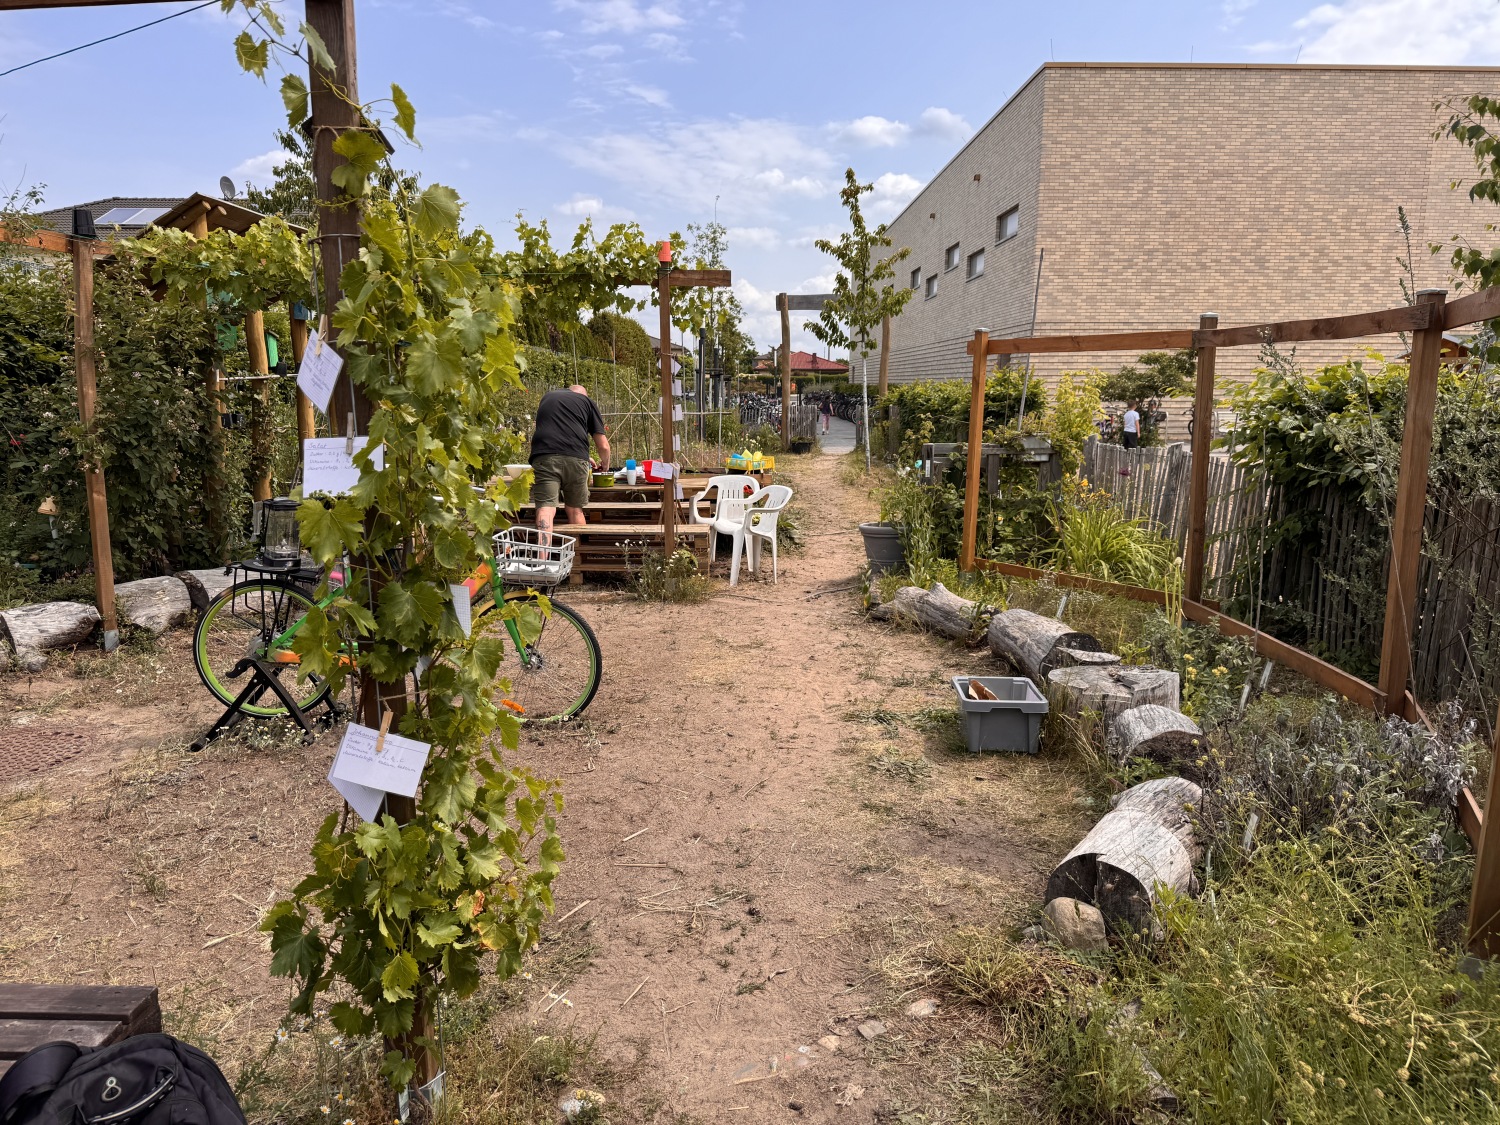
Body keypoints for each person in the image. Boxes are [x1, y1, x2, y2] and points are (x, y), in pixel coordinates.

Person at [529, 384, 610, 538]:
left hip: (544, 456)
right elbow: (604, 446)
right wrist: (605, 465)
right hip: (575, 459)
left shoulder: (548, 397)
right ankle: (578, 556)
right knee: (575, 509)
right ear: (583, 395)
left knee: (546, 509)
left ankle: (542, 560)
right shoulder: (586, 402)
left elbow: (558, 431)